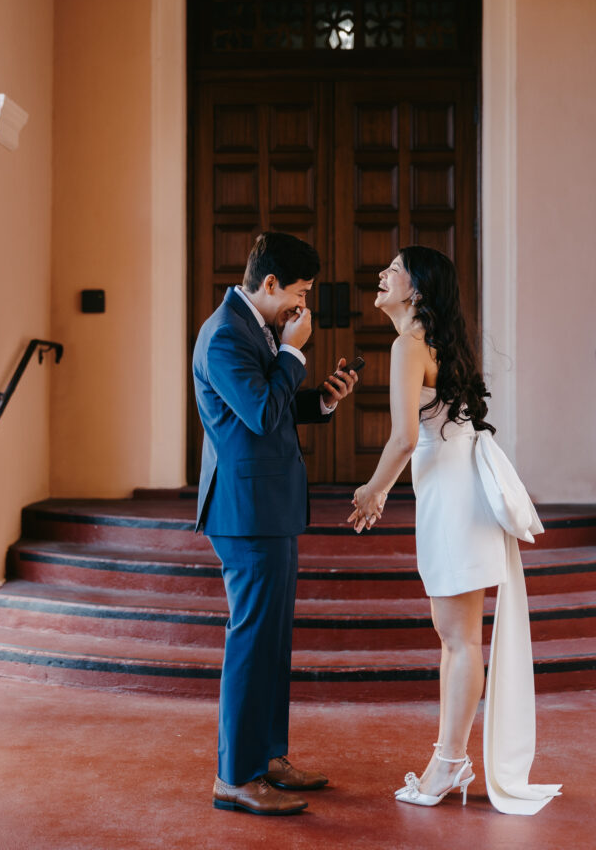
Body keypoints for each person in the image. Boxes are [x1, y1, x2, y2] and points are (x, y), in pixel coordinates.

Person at [348, 246, 560, 814]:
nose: (381, 274)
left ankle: (449, 762)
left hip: (453, 499)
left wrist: (373, 491)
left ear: (416, 289)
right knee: (454, 637)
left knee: (459, 638)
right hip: (453, 491)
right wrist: (388, 490)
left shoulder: (407, 345)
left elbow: (402, 438)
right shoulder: (432, 343)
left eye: (392, 269)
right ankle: (450, 758)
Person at [193, 231, 358, 816]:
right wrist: (293, 353)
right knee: (251, 640)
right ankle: (235, 776)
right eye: (299, 292)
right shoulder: (222, 337)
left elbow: (274, 405)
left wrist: (325, 400)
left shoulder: (252, 328)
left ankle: (269, 757)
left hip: (270, 507)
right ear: (268, 284)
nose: (302, 306)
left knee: (273, 641)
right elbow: (262, 413)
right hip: (244, 514)